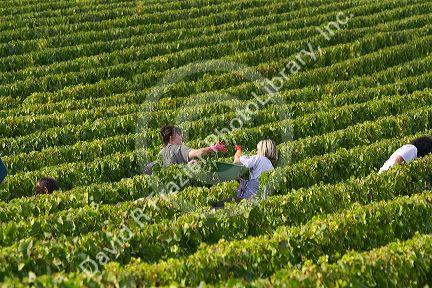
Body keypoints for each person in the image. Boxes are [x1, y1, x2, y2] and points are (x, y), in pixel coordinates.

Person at [212, 139, 277, 208]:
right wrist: (239, 180)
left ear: (263, 149)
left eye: (258, 149)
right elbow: (257, 179)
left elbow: (236, 161)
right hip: (260, 193)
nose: (256, 151)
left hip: (251, 193)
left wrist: (238, 150)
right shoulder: (270, 165)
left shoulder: (258, 158)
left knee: (231, 205)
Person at [158, 124, 227, 167]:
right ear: (171, 138)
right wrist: (213, 148)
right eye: (178, 134)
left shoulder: (160, 153)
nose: (181, 137)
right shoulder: (178, 148)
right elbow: (197, 153)